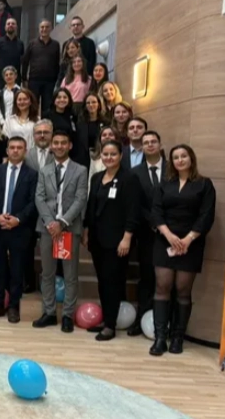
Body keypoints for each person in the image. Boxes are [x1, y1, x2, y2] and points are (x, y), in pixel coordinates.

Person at [149, 144, 216, 355]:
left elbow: (206, 215)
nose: (180, 160)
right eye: (176, 157)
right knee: (162, 286)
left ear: (191, 158)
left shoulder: (204, 184)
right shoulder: (164, 184)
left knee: (183, 290)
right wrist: (168, 235)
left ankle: (178, 338)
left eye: (183, 156)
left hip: (191, 243)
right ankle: (160, 338)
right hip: (165, 240)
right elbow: (156, 211)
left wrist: (188, 239)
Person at [83, 140, 141, 341]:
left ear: (121, 156)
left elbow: (133, 211)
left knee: (113, 282)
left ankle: (110, 325)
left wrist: (127, 237)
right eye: (105, 154)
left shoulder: (129, 178)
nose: (109, 158)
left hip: (118, 241)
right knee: (103, 281)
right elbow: (91, 206)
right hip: (97, 239)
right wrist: (86, 230)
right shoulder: (97, 178)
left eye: (113, 154)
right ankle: (106, 319)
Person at [33, 130, 88, 333]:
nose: (59, 146)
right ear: (51, 146)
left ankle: (67, 315)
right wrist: (50, 222)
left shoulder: (80, 170)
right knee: (47, 273)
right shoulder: (44, 170)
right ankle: (48, 313)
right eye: (55, 143)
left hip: (69, 228)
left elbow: (80, 199)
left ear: (70, 146)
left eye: (63, 143)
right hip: (47, 228)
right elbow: (39, 198)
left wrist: (62, 222)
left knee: (70, 274)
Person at [0, 137, 38, 323]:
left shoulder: (32, 175)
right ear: (7, 150)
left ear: (25, 151)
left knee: (17, 270)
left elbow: (33, 202)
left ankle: (14, 306)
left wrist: (18, 219)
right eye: (12, 147)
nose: (15, 151)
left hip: (19, 229)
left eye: (19, 148)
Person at [127, 130, 165, 336]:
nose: (150, 145)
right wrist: (154, 222)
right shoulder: (135, 172)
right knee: (147, 278)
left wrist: (165, 225)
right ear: (141, 147)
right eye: (146, 142)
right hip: (146, 232)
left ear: (160, 144)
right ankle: (141, 319)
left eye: (153, 141)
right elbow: (135, 203)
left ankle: (163, 322)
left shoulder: (172, 169)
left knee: (166, 280)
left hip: (171, 234)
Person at [22, 20, 60, 112]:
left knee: (47, 107)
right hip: (34, 80)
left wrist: (57, 81)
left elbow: (57, 63)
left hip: (50, 82)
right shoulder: (32, 44)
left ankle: (45, 121)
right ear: (39, 29)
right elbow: (25, 62)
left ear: (51, 28)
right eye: (42, 27)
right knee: (33, 106)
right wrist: (24, 79)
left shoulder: (56, 45)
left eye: (47, 27)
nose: (44, 29)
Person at [0, 18, 23, 92]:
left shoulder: (20, 43)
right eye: (8, 24)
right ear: (5, 27)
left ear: (16, 27)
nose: (10, 25)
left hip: (16, 79)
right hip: (1, 78)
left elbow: (21, 60)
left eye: (13, 24)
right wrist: (1, 68)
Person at [88, 126, 118, 191]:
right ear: (100, 139)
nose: (107, 137)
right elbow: (91, 179)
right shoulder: (95, 157)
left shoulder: (121, 155)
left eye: (110, 134)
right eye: (104, 135)